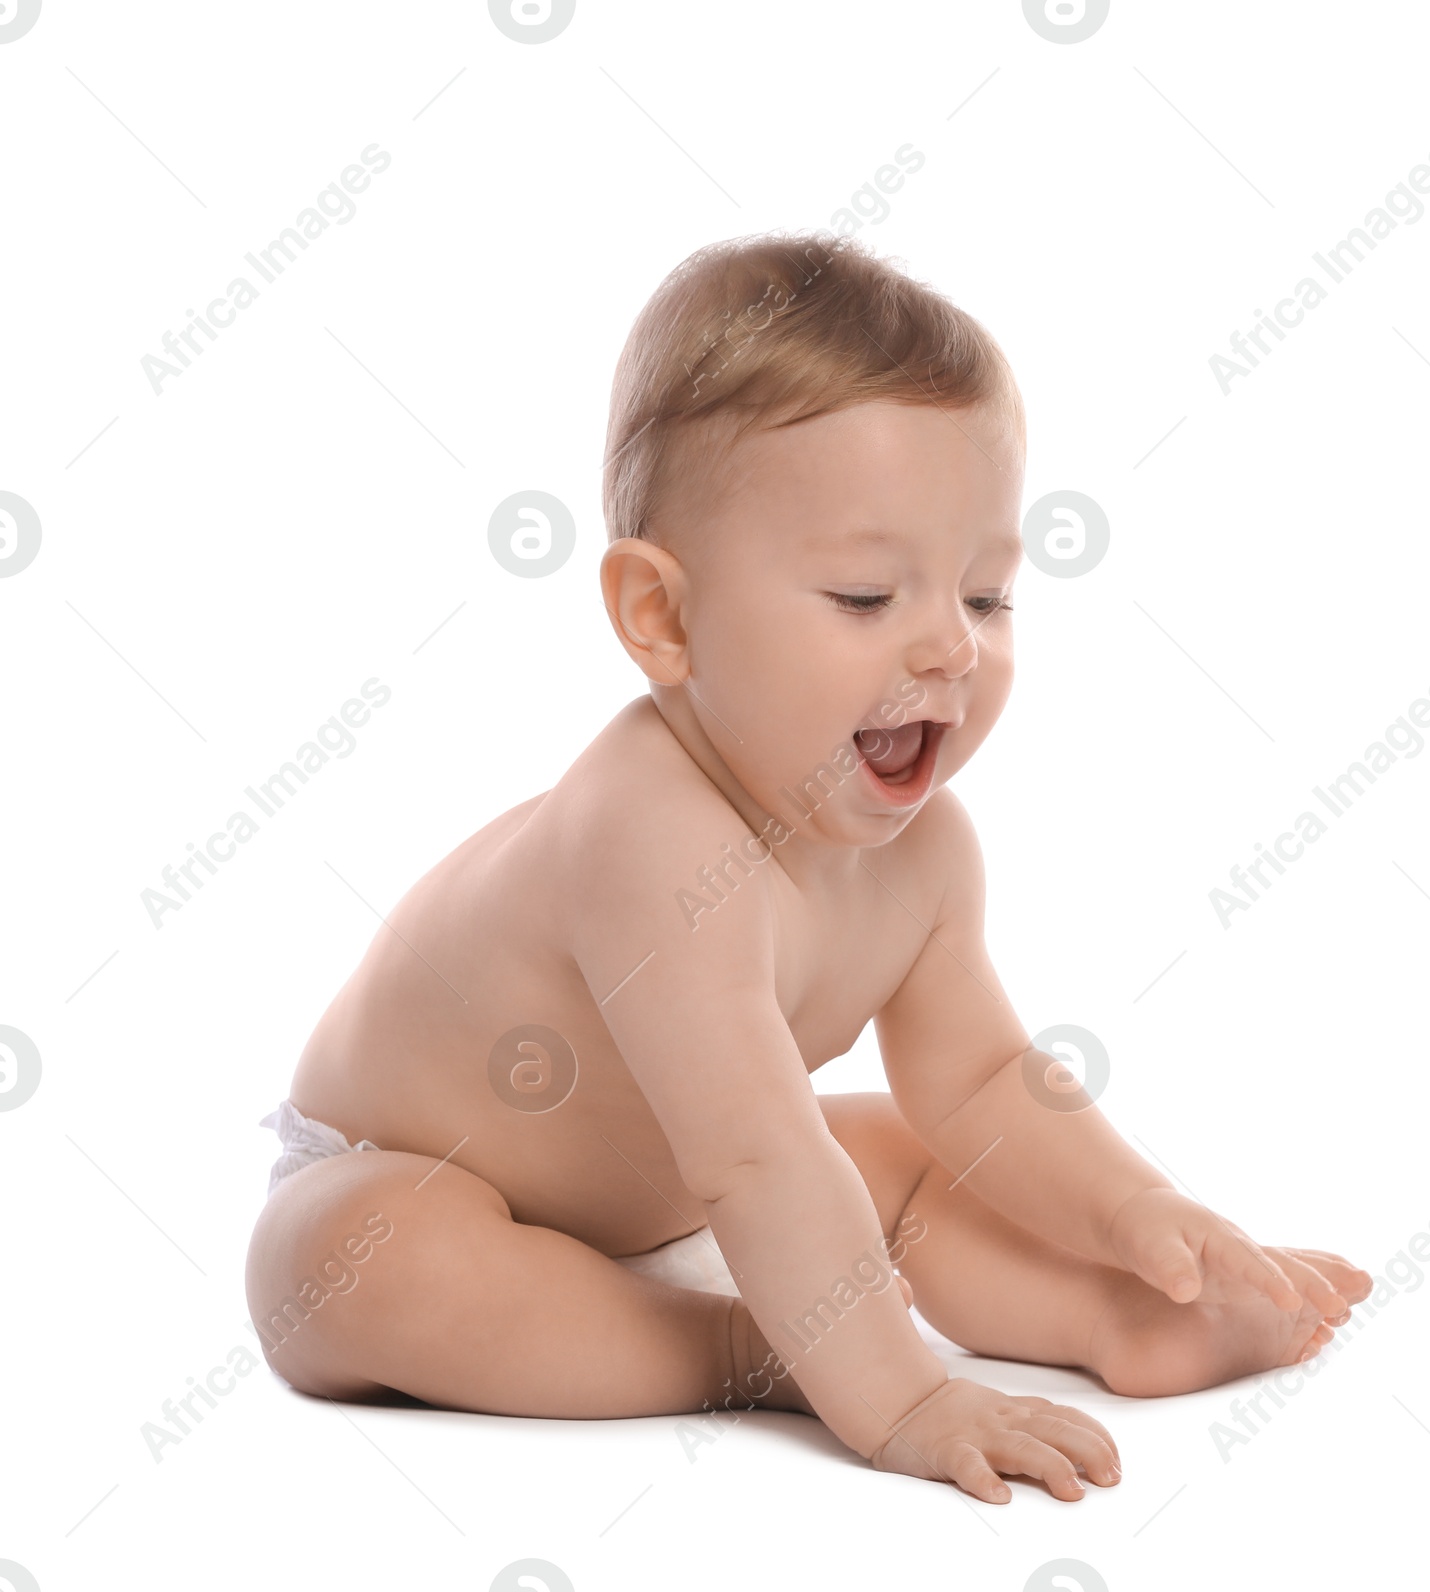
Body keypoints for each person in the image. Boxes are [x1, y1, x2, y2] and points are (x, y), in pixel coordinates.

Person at [246, 230, 1370, 1504]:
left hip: (682, 1208)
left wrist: (1141, 1213)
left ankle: (1121, 1315)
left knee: (902, 1150)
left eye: (988, 596)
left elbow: (987, 1081)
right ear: (662, 618)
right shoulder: (646, 830)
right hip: (399, 1178)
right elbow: (757, 1160)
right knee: (379, 1265)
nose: (949, 646)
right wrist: (898, 1399)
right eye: (863, 598)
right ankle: (749, 1345)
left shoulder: (925, 850)